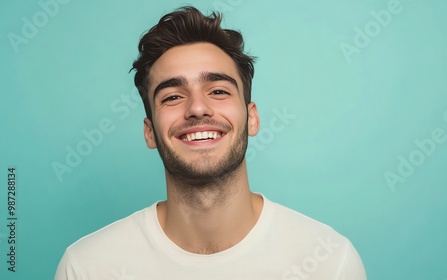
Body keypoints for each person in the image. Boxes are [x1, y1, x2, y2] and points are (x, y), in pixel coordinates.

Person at [55, 6, 366, 280]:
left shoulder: (330, 263)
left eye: (218, 91)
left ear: (252, 118)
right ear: (150, 131)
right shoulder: (86, 268)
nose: (197, 108)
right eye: (173, 96)